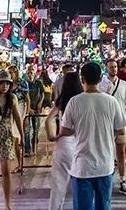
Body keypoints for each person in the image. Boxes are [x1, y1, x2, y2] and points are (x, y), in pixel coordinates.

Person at [59, 62, 126, 210]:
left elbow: (64, 131)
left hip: (82, 167)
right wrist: (108, 133)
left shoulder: (74, 102)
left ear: (82, 79)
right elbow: (121, 129)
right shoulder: (111, 101)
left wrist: (79, 130)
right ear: (100, 79)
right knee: (104, 206)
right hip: (105, 165)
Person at [45, 71, 83, 210]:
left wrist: (51, 137)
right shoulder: (82, 100)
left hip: (64, 143)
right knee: (81, 185)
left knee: (58, 185)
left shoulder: (61, 101)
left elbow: (48, 120)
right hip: (80, 144)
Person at [0, 71, 24, 210]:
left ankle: (7, 203)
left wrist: (22, 135)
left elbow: (18, 118)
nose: (4, 86)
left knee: (6, 170)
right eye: (2, 83)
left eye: (7, 84)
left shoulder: (12, 98)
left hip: (6, 135)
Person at [99, 58, 126, 196]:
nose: (113, 69)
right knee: (105, 153)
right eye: (111, 67)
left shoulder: (124, 84)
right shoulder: (101, 85)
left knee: (121, 153)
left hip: (120, 123)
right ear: (106, 69)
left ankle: (122, 180)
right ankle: (104, 180)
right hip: (106, 124)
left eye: (115, 67)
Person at [8, 64, 29, 171]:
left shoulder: (22, 83)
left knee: (17, 138)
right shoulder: (7, 84)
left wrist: (26, 115)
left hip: (20, 110)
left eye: (11, 72)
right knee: (12, 139)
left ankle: (20, 164)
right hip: (9, 112)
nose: (10, 74)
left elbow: (27, 99)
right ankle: (15, 164)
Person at [24, 63, 44, 156]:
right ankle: (27, 150)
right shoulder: (24, 84)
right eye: (28, 73)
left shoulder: (39, 83)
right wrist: (29, 109)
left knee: (36, 129)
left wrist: (40, 103)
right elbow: (23, 98)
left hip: (37, 109)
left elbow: (43, 94)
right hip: (27, 110)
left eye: (31, 72)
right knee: (27, 130)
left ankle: (34, 145)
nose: (30, 75)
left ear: (34, 73)